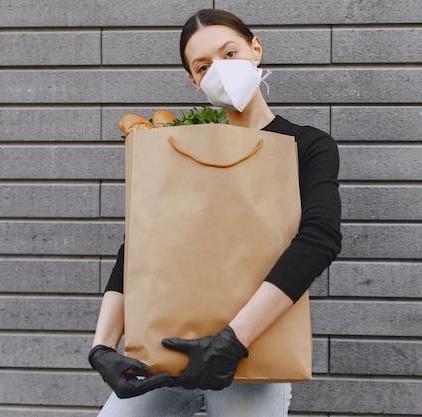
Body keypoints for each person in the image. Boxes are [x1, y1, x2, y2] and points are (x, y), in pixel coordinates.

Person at [89, 9, 342, 417]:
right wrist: (102, 347)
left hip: (251, 354)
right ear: (194, 80)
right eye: (204, 66)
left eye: (230, 53)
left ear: (255, 49)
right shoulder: (179, 147)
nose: (219, 71)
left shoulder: (306, 145)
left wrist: (231, 341)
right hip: (169, 350)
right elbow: (141, 244)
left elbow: (319, 239)